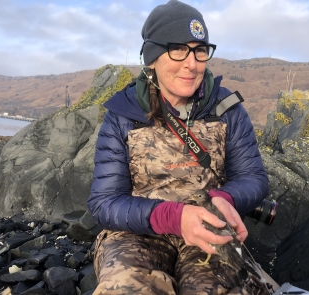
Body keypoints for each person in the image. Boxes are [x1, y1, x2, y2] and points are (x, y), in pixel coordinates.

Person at [87, 1, 269, 294]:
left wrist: (226, 198)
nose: (192, 63)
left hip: (210, 228)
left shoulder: (227, 108)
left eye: (199, 50)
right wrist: (172, 216)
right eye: (178, 49)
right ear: (152, 58)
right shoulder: (123, 113)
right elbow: (104, 202)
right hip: (137, 232)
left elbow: (253, 177)